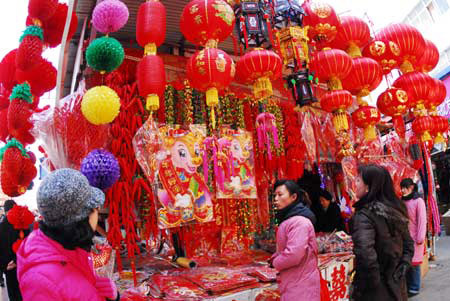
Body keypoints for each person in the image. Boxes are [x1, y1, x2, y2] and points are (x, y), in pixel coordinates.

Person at [17, 168, 120, 301]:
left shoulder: (71, 248)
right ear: (82, 219)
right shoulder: (41, 282)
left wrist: (112, 298)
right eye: (95, 209)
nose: (98, 213)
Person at [351, 165, 414, 301]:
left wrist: (372, 284)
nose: (354, 184)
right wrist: (401, 268)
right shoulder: (396, 209)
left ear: (368, 187)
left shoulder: (364, 216)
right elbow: (408, 245)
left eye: (358, 180)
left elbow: (365, 253)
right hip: (396, 285)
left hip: (376, 292)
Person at [270, 179, 320, 301]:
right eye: (274, 195)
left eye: (280, 195)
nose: (275, 199)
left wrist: (276, 262)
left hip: (300, 286)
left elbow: (294, 255)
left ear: (293, 197)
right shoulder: (291, 219)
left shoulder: (299, 222)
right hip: (295, 282)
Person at [400, 178, 427, 297]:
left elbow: (422, 220)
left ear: (411, 187)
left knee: (415, 263)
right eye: (401, 187)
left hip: (416, 237)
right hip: (405, 237)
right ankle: (409, 286)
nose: (402, 190)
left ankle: (415, 288)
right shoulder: (402, 201)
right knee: (407, 261)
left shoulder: (418, 201)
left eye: (405, 187)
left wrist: (420, 237)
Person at [0, 199, 30, 301]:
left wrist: (6, 265)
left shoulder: (22, 224)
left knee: (16, 294)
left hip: (14, 266)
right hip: (15, 266)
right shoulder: (23, 224)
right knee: (18, 294)